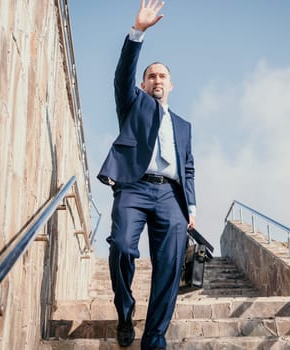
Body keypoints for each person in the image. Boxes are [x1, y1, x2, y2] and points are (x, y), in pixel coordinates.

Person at [97, 0, 197, 349]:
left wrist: (192, 207)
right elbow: (122, 73)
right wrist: (137, 32)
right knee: (122, 247)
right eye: (151, 75)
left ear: (172, 85)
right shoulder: (132, 103)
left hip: (171, 197)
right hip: (133, 189)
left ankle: (154, 338)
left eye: (162, 75)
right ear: (143, 84)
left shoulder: (183, 125)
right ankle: (125, 313)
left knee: (169, 268)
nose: (157, 79)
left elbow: (187, 166)